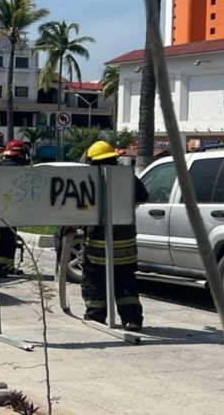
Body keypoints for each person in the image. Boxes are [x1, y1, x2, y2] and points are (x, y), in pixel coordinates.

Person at [80, 140, 149, 331]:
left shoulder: (89, 179)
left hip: (97, 246)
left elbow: (78, 208)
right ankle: (132, 319)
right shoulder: (128, 177)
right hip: (125, 244)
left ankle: (95, 317)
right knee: (126, 283)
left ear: (92, 161)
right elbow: (144, 196)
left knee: (95, 282)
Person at [0, 139, 30, 278]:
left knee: (7, 237)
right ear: (19, 154)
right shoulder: (19, 168)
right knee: (7, 238)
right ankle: (2, 268)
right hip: (11, 209)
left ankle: (7, 267)